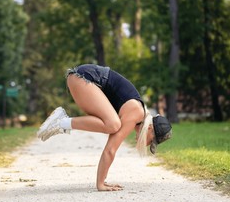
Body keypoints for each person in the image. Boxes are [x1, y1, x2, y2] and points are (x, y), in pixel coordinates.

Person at [37, 64, 172, 191]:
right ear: (150, 129)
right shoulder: (136, 112)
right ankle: (61, 122)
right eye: (151, 141)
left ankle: (62, 122)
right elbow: (110, 150)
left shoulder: (136, 115)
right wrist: (100, 184)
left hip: (81, 79)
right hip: (84, 78)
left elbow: (110, 148)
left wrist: (102, 181)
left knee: (111, 124)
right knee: (113, 125)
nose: (147, 144)